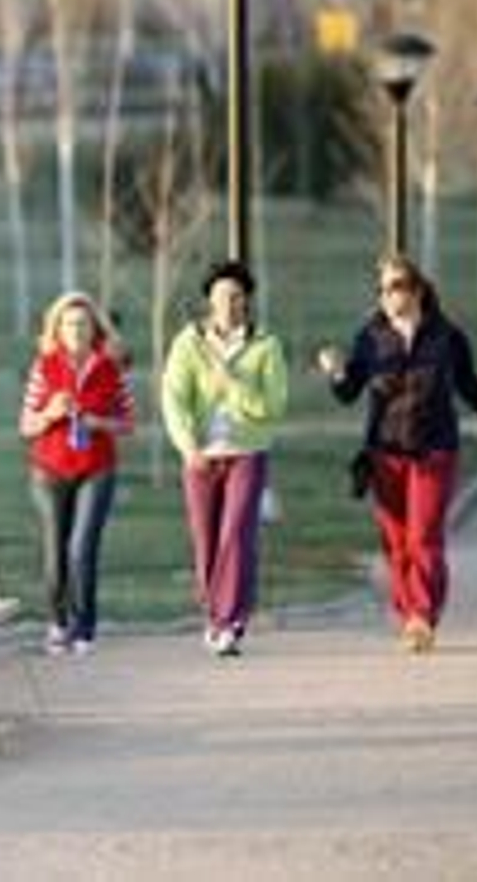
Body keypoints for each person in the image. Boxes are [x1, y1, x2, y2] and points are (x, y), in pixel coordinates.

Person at [315, 253, 477, 654]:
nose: (387, 295)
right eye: (382, 289)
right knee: (397, 543)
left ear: (417, 290)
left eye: (396, 286)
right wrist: (335, 371)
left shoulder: (447, 336)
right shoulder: (370, 337)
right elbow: (349, 393)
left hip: (434, 449)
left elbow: (468, 382)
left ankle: (422, 615)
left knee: (424, 536)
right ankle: (408, 617)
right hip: (385, 453)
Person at [160, 260, 288, 658]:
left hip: (246, 453)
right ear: (209, 301)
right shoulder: (188, 343)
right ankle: (214, 614)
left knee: (236, 535)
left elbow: (273, 406)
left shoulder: (266, 345)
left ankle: (228, 622)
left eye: (236, 297)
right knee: (206, 542)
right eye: (221, 297)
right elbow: (174, 399)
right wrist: (188, 448)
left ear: (246, 300)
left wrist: (234, 383)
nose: (229, 304)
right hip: (200, 457)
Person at [18, 291, 136, 657]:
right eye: (69, 324)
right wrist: (50, 413)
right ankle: (58, 624)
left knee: (81, 548)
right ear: (57, 329)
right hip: (50, 471)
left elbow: (128, 422)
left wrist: (99, 422)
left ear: (95, 328)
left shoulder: (109, 368)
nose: (76, 330)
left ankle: (84, 628)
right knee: (56, 551)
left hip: (96, 470)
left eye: (83, 323)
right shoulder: (44, 367)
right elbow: (26, 425)